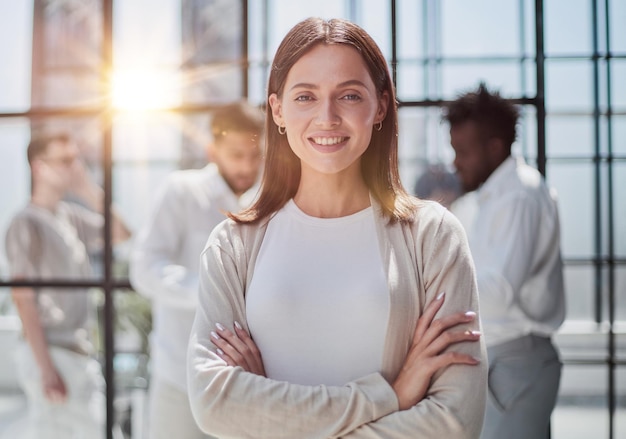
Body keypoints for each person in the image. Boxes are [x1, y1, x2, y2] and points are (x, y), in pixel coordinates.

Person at [187, 17, 487, 438]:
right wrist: (390, 396)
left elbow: (454, 421)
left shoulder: (432, 236)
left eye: (348, 95)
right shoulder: (233, 244)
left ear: (380, 106)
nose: (327, 117)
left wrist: (272, 413)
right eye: (306, 96)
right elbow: (215, 404)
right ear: (278, 110)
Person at [129, 101, 264, 439]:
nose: (247, 166)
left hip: (248, 381)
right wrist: (212, 294)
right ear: (212, 149)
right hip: (180, 376)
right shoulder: (182, 192)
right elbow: (144, 269)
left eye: (255, 155)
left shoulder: (268, 201)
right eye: (236, 155)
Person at [444, 83, 566, 439]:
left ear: (494, 147)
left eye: (463, 151)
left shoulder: (519, 196)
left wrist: (432, 287)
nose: (455, 162)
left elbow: (498, 292)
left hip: (514, 361)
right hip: (503, 360)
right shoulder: (492, 198)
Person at [4, 132, 131, 438]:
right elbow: (23, 299)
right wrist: (46, 369)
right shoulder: (26, 223)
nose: (72, 168)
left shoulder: (70, 217)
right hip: (52, 351)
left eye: (76, 160)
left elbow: (122, 233)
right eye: (64, 160)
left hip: (77, 352)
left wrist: (87, 188)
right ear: (39, 167)